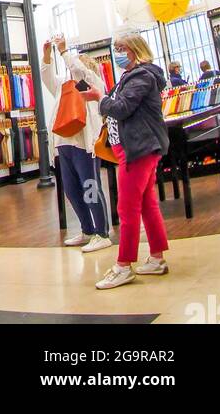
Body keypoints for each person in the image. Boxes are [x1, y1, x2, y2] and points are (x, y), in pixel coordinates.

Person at [83, 32, 169, 290]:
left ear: (135, 50)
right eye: (116, 47)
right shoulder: (133, 76)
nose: (118, 52)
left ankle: (123, 265)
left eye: (123, 48)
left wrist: (100, 98)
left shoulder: (141, 76)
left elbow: (120, 108)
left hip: (137, 149)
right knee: (146, 204)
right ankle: (156, 257)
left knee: (127, 208)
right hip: (137, 147)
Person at [42, 34, 111, 253]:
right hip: (63, 143)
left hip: (84, 144)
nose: (71, 69)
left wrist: (64, 52)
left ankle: (102, 232)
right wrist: (46, 56)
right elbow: (46, 78)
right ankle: (87, 229)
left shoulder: (92, 83)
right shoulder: (65, 87)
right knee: (71, 190)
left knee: (90, 187)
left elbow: (82, 72)